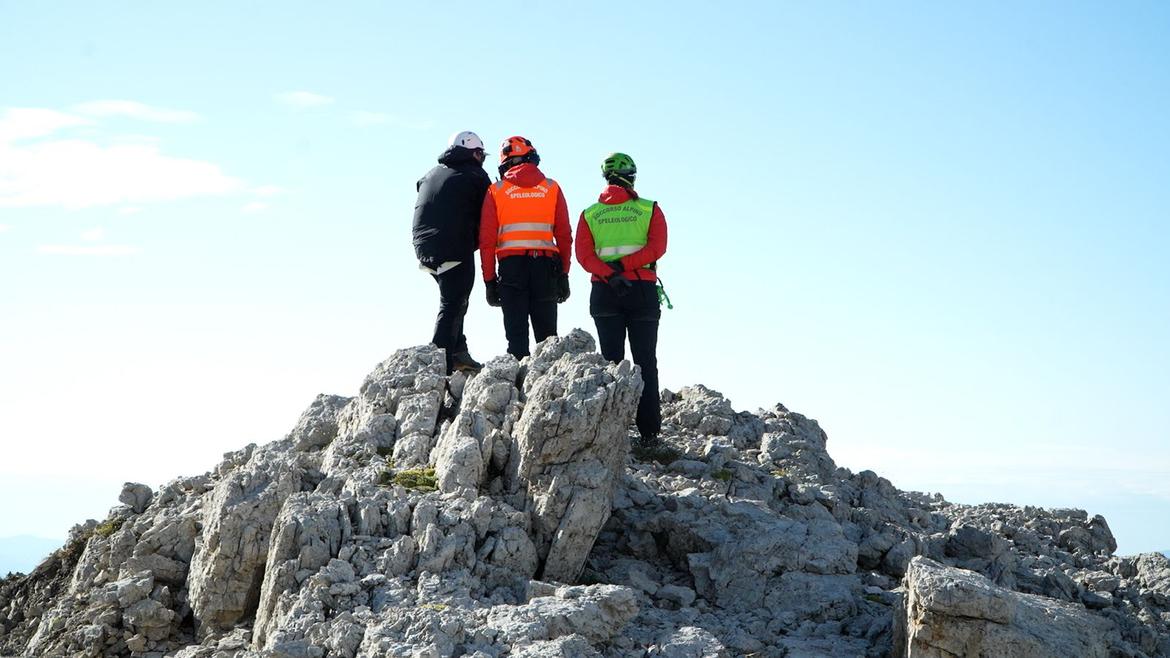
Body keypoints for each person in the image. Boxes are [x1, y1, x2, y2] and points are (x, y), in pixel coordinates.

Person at [574, 153, 668, 445]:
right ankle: (649, 433)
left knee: (611, 362)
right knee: (645, 361)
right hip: (641, 289)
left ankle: (611, 433)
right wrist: (624, 267)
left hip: (605, 292)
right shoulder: (649, 209)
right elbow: (657, 247)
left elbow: (584, 256)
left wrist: (610, 273)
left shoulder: (590, 214)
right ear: (632, 178)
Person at [479, 135, 573, 359]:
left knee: (516, 341)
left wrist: (489, 281)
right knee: (548, 343)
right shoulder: (551, 187)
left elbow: (487, 241)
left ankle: (517, 380)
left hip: (511, 269)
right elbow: (564, 235)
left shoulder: (496, 191)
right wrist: (564, 273)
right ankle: (548, 380)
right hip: (546, 268)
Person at [412, 130, 491, 374]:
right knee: (453, 304)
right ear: (474, 153)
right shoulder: (476, 175)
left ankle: (458, 351)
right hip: (453, 247)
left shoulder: (430, 174)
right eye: (481, 155)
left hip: (423, 247)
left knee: (455, 300)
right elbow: (490, 209)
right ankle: (439, 364)